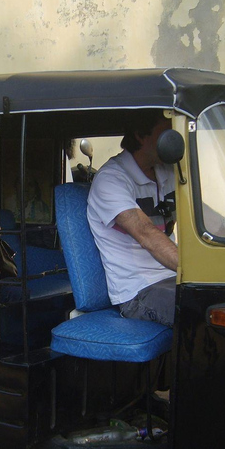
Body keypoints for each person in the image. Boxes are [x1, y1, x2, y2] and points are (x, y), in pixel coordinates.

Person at [86, 111, 179, 327]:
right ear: (140, 134)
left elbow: (209, 215)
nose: (174, 139)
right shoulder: (111, 179)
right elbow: (145, 233)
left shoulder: (168, 171)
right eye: (167, 131)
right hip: (138, 292)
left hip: (173, 280)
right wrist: (201, 270)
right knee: (203, 309)